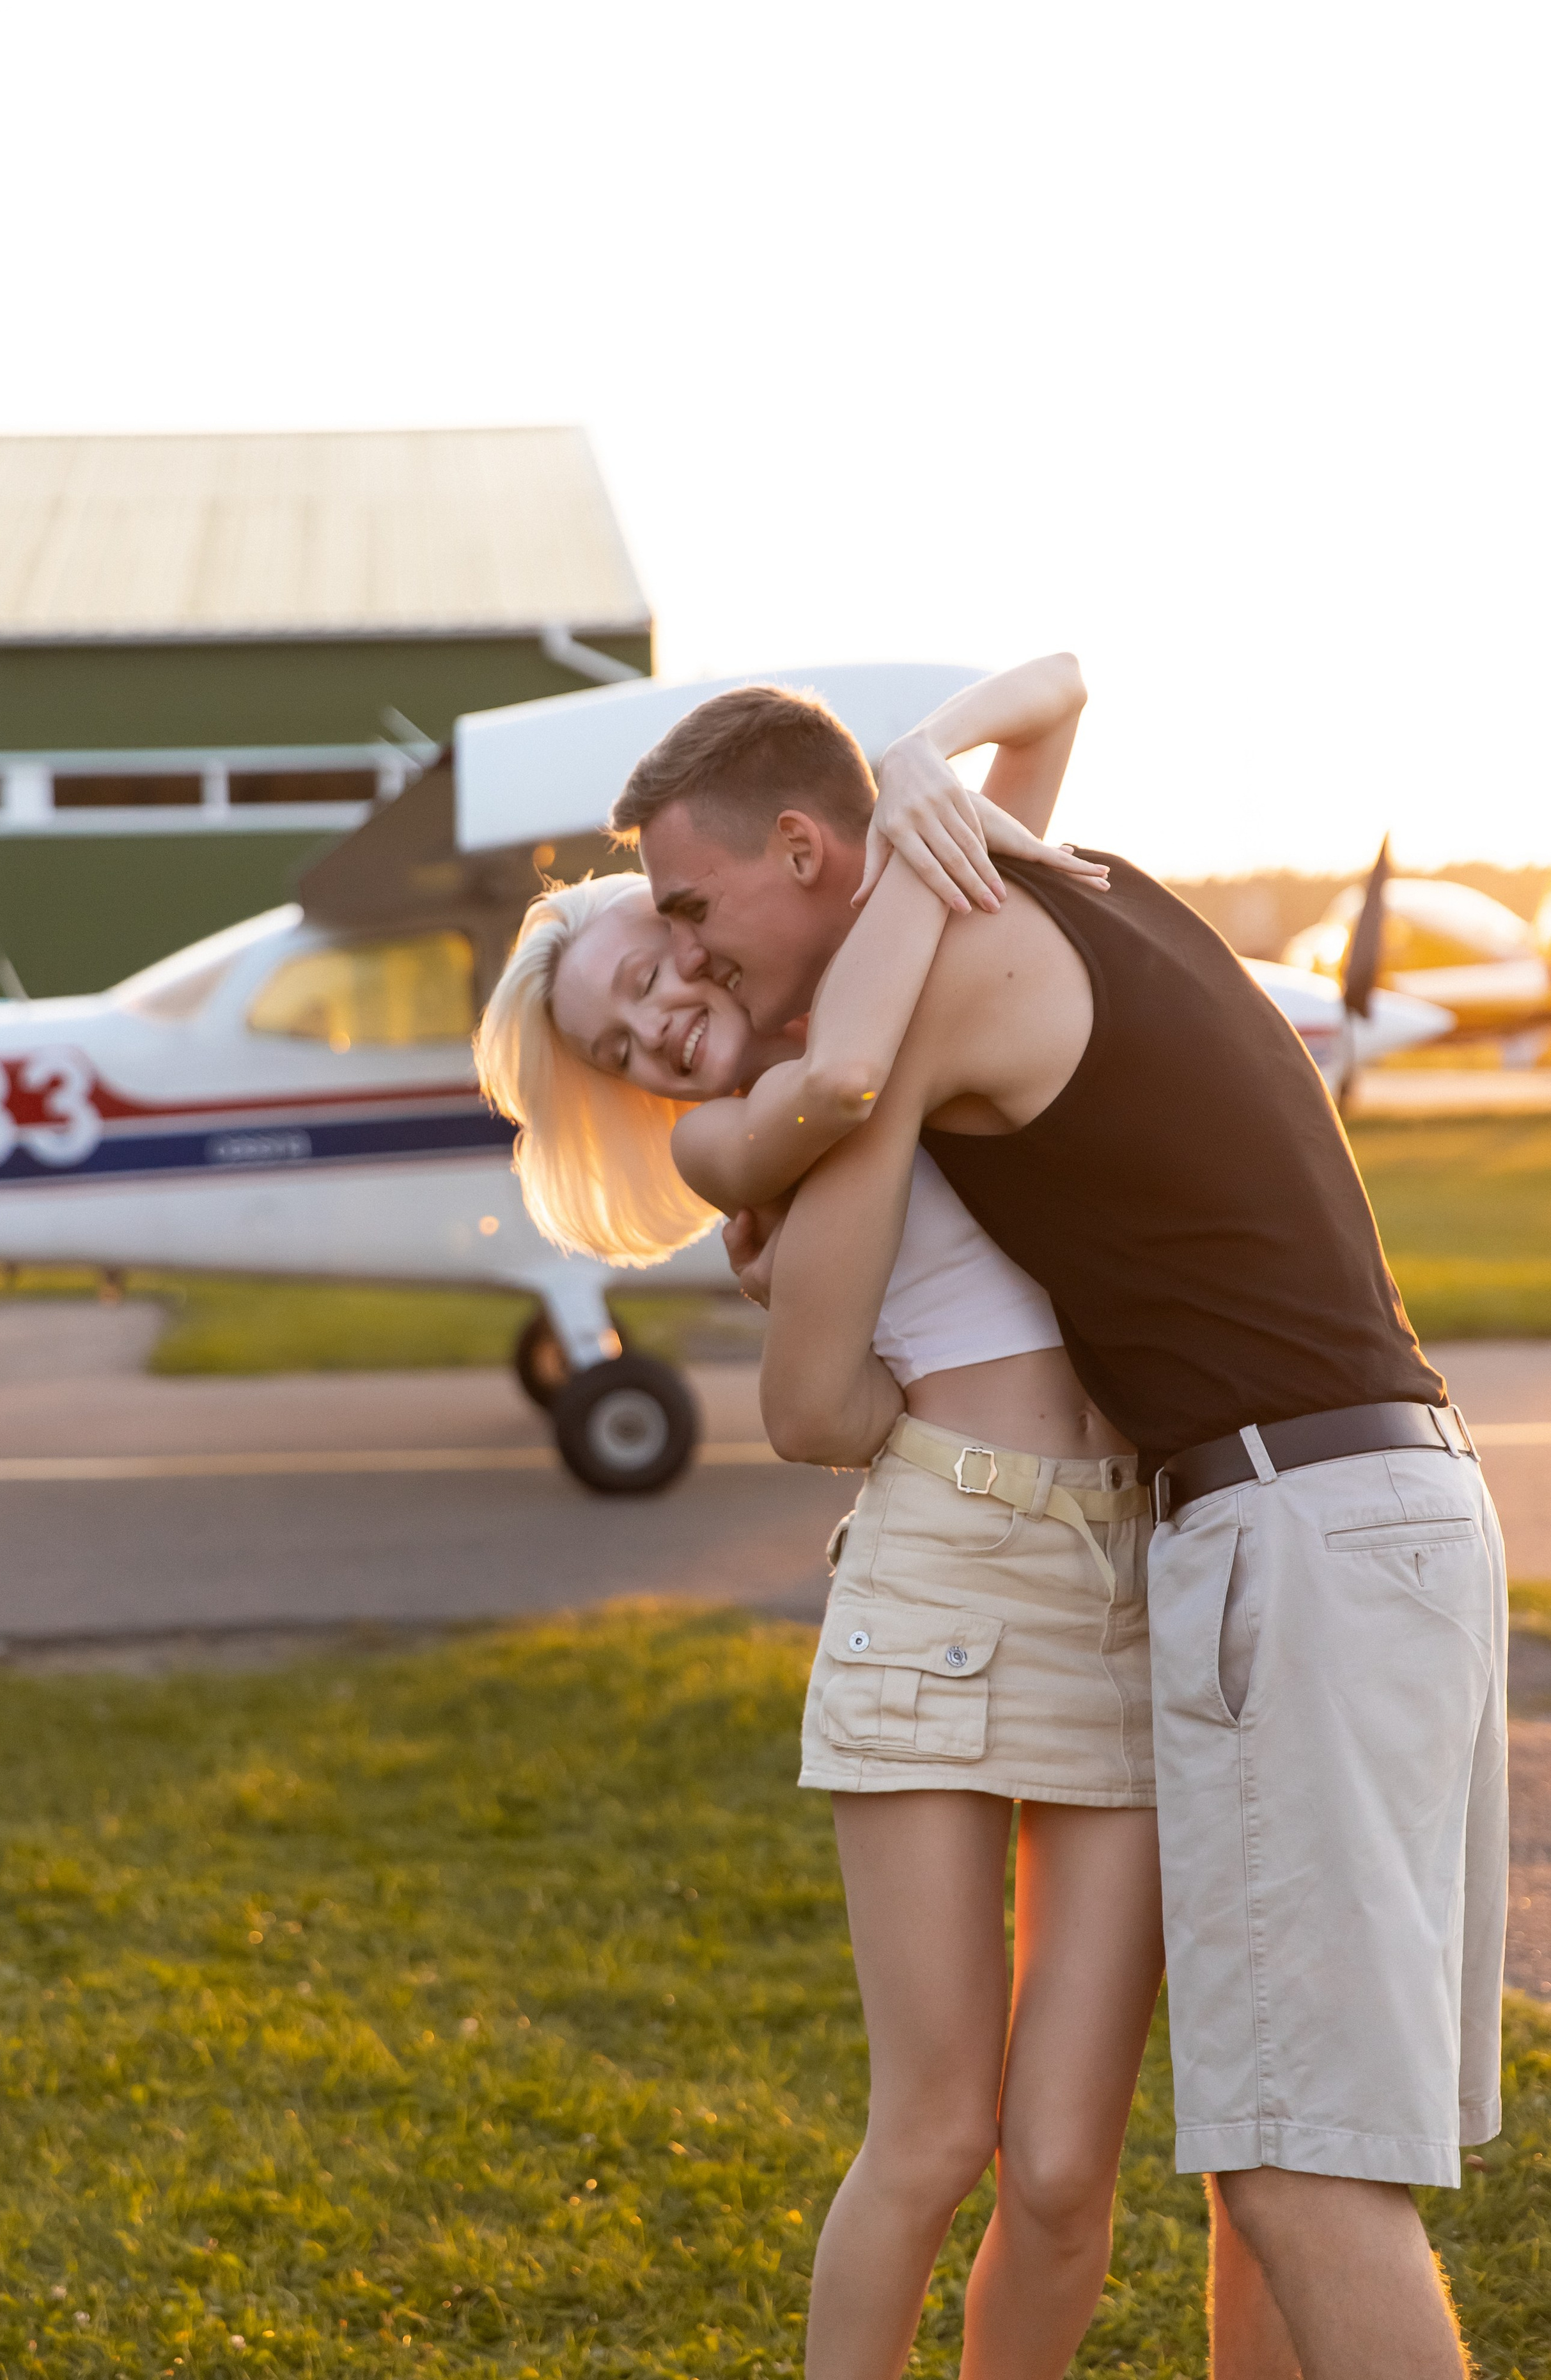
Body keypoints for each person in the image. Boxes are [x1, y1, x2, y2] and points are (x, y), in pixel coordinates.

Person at [613, 667, 1508, 2380]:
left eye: (693, 905)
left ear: (807, 847)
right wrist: (926, 761)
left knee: (1307, 2181)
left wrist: (747, 1172)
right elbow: (1059, 683)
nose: (688, 953)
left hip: (1290, 1536)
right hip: (1398, 1507)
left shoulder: (935, 956)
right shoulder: (1057, 874)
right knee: (1287, 2159)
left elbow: (815, 1330)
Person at [478, 659, 1175, 2378]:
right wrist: (930, 1451)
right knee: (939, 2137)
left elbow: (1065, 700)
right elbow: (820, 1409)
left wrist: (929, 758)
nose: (652, 1019)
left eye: (648, 962)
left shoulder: (905, 952)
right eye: (616, 1044)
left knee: (1073, 2164)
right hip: (942, 1573)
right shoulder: (751, 1135)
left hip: (1128, 1573)